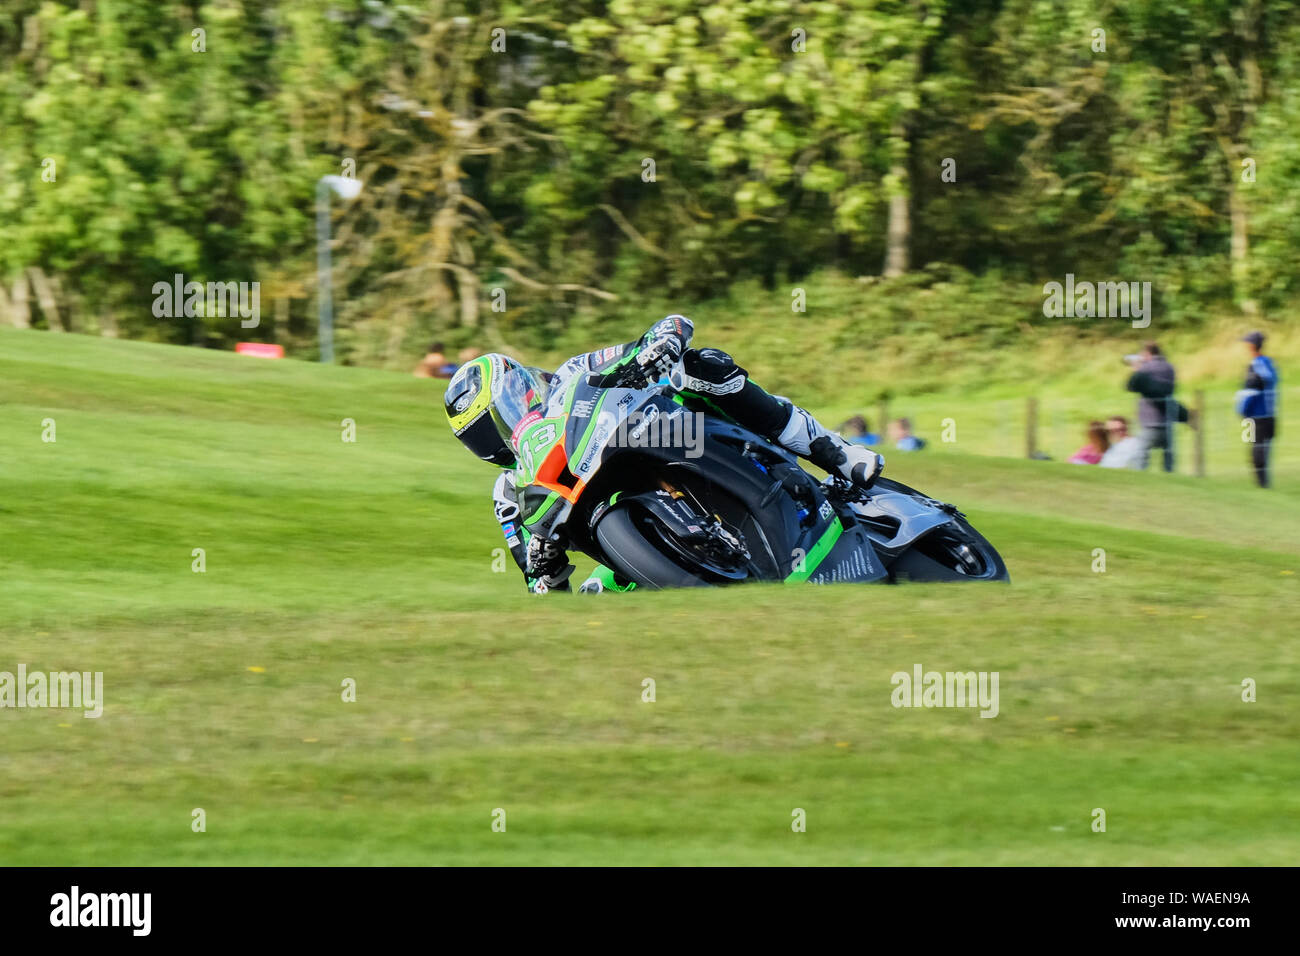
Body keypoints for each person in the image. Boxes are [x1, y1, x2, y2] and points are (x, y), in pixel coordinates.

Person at [442, 315, 885, 593]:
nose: (497, 437)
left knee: (705, 365)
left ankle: (835, 451)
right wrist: (545, 568)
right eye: (482, 436)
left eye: (497, 417)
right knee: (596, 597)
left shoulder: (572, 374)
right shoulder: (510, 493)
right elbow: (542, 589)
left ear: (519, 387)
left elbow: (672, 325)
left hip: (667, 431)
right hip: (626, 544)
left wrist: (660, 346)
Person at [1235, 330, 1279, 488]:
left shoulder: (1256, 366)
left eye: (1246, 343)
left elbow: (1250, 392)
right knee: (1262, 451)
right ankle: (1264, 484)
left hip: (1255, 417)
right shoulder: (1270, 364)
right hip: (1270, 415)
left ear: (1252, 346)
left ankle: (1262, 485)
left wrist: (1241, 410)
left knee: (1256, 453)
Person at [1124, 342, 1178, 472]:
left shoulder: (1146, 369)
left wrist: (1137, 369)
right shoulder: (1170, 367)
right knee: (1168, 456)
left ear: (1147, 353)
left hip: (1150, 420)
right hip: (1168, 420)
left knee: (1140, 455)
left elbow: (1131, 386)